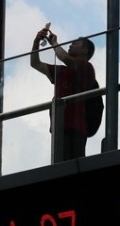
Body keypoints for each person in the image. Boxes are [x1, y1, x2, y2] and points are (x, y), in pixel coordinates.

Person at [30, 25, 96, 162]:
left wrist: (54, 43)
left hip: (77, 127)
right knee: (60, 164)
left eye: (76, 43)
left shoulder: (86, 68)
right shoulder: (61, 71)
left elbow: (64, 57)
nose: (71, 45)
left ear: (85, 50)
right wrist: (36, 42)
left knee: (75, 164)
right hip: (59, 126)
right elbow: (35, 63)